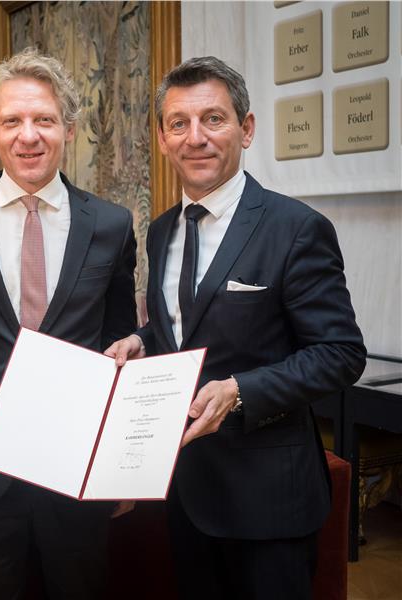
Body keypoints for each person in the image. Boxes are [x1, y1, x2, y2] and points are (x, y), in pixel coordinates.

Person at [106, 56, 366, 599]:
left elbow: (340, 353)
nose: (196, 137)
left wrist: (240, 391)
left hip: (269, 500)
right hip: (187, 493)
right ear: (163, 139)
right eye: (179, 123)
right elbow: (184, 327)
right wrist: (142, 341)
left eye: (213, 119)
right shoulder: (161, 231)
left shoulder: (296, 229)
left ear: (246, 129)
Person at [0, 47, 137, 600]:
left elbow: (121, 351)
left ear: (69, 128)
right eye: (12, 120)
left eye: (44, 119)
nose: (29, 136)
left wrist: (119, 465)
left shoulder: (111, 225)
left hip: (77, 465)